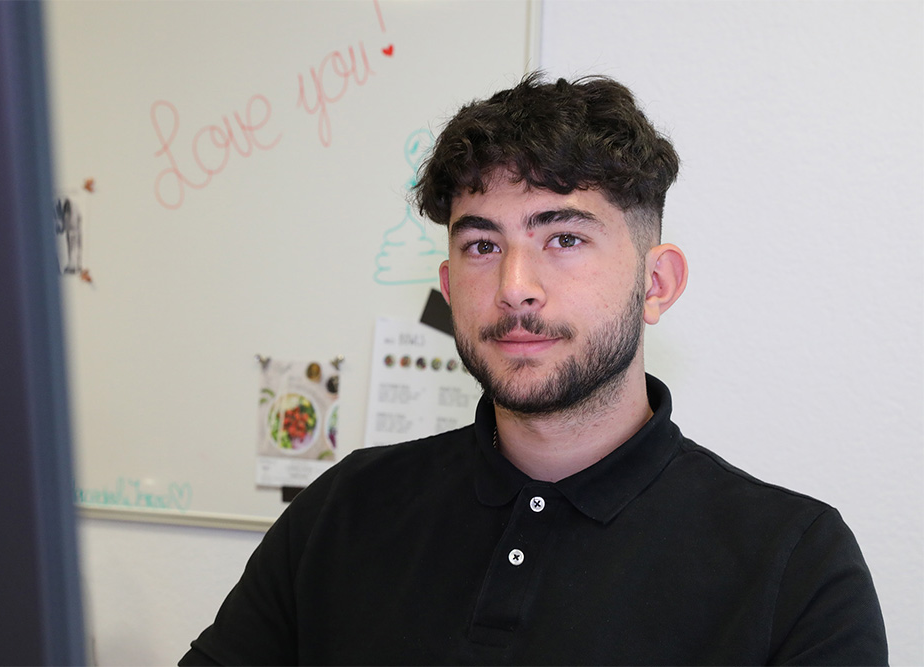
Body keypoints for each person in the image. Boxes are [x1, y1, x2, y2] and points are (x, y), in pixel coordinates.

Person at [180, 73, 887, 665]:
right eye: (482, 246)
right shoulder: (340, 513)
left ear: (657, 284)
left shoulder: (794, 564)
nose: (515, 287)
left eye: (564, 238)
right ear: (449, 289)